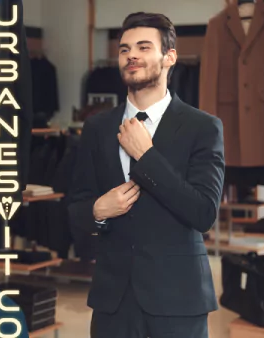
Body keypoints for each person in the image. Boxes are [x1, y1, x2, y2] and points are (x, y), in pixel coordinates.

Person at [68, 12, 225, 338]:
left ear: (169, 57)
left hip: (178, 298)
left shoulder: (203, 127)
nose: (131, 56)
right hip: (113, 302)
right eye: (124, 49)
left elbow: (203, 213)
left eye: (143, 47)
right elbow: (76, 206)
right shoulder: (97, 127)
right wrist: (98, 210)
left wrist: (146, 156)